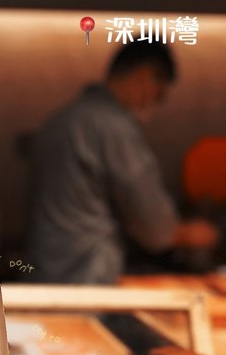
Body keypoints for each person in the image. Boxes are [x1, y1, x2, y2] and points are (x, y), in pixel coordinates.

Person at [25, 42, 219, 283]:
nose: (154, 104)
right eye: (158, 95)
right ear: (144, 77)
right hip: (85, 272)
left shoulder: (64, 118)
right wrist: (192, 233)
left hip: (45, 267)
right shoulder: (113, 126)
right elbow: (155, 228)